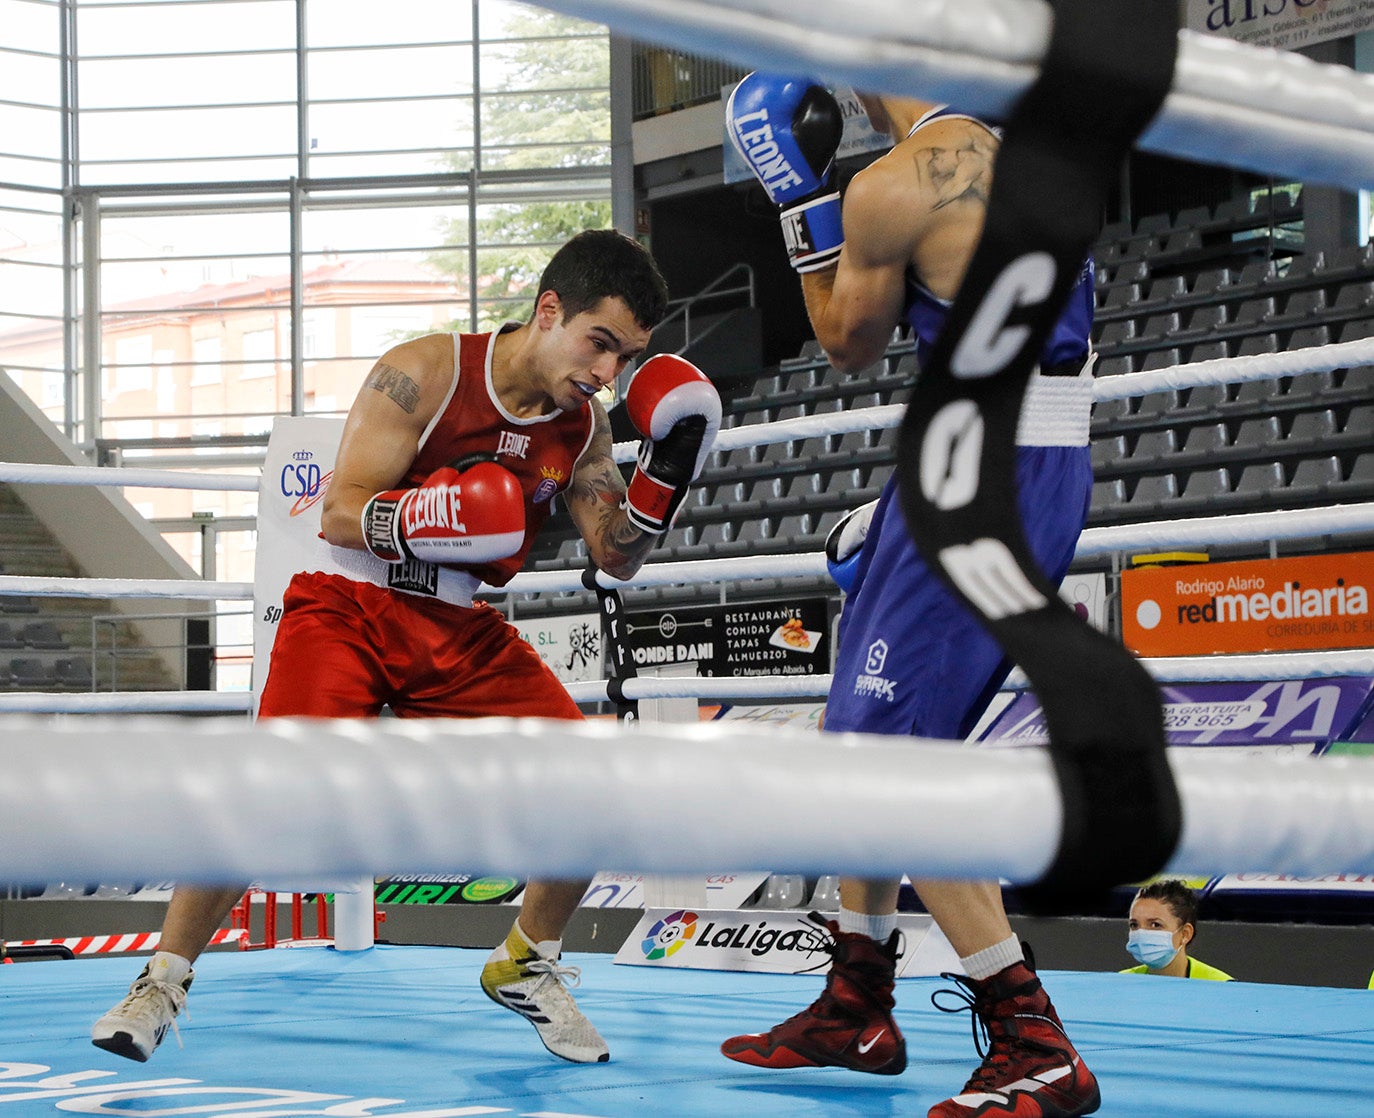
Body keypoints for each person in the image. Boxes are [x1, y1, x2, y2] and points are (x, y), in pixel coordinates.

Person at [90, 229, 722, 1067]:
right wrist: (439, 515)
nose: (607, 372)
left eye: (626, 357)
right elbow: (339, 511)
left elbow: (615, 556)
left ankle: (525, 962)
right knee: (267, 788)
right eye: (599, 343)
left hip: (456, 625)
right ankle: (161, 981)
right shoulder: (425, 369)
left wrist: (661, 484)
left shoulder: (584, 430)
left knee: (590, 782)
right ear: (548, 311)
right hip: (349, 603)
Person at [724, 77, 1100, 1118]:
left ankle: (1034, 1041)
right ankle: (857, 999)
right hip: (1015, 458)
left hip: (982, 474)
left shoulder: (894, 184)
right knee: (861, 732)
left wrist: (798, 200)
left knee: (888, 761)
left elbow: (846, 340)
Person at [1122, 879, 1232, 981]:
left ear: (1185, 934)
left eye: (1155, 925)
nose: (1141, 933)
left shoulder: (1222, 986)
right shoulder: (1120, 982)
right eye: (1134, 925)